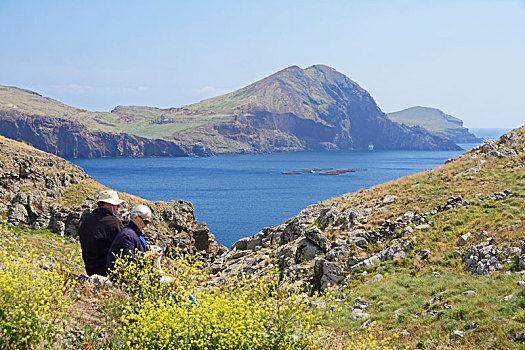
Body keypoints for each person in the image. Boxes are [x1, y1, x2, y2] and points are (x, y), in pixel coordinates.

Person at [78, 190, 124, 276]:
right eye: (116, 204)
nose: (118, 206)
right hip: (109, 271)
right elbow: (123, 246)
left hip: (90, 269)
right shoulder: (114, 223)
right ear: (106, 204)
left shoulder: (86, 220)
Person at [106, 204, 154, 276]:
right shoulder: (127, 235)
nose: (147, 225)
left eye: (148, 223)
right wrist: (148, 256)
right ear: (135, 217)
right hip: (127, 279)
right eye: (145, 222)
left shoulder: (133, 233)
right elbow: (129, 258)